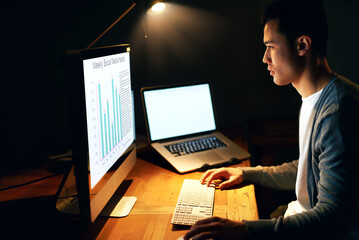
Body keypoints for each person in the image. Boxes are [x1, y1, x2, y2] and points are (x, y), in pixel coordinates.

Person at [184, 0, 359, 239]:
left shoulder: (337, 112)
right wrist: (247, 173)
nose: (265, 58)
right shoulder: (316, 98)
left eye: (271, 46)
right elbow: (309, 169)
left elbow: (333, 219)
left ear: (302, 45)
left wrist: (245, 230)